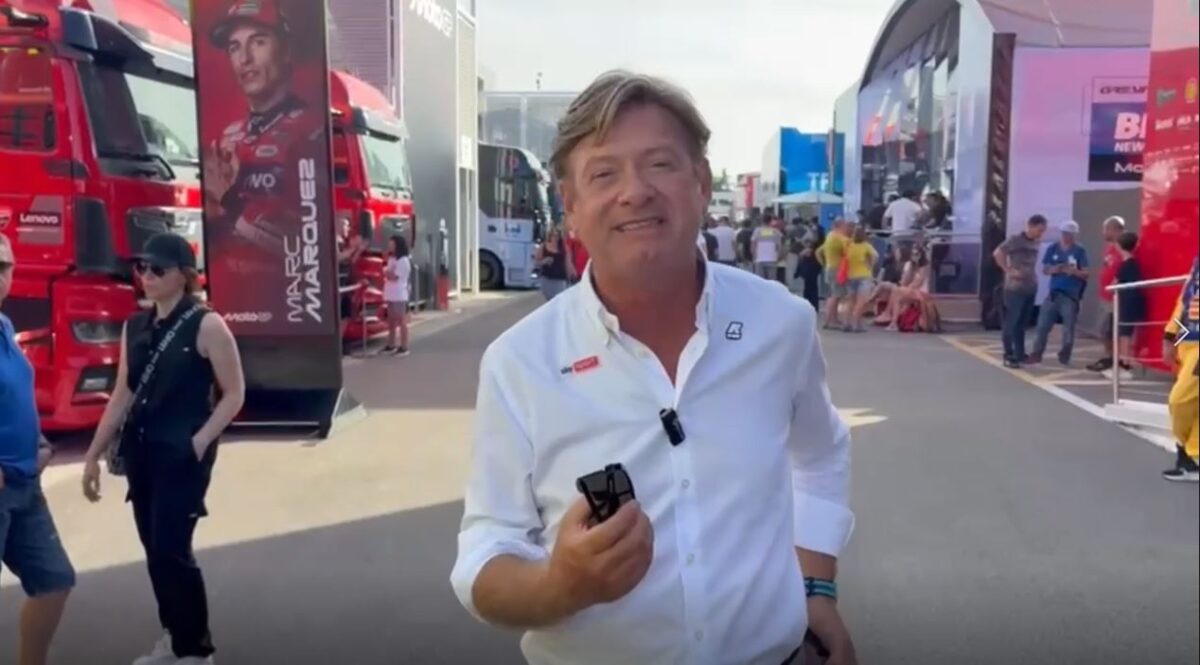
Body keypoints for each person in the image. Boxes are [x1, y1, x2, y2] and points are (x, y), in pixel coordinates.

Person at [451, 70, 857, 665]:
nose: (635, 191)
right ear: (571, 204)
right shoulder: (520, 361)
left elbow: (820, 455)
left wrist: (816, 585)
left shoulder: (781, 324)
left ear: (701, 182)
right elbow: (486, 551)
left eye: (660, 164)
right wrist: (560, 586)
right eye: (604, 173)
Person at [81, 233, 246, 665]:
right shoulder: (134, 327)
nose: (146, 276)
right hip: (143, 451)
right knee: (154, 549)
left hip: (184, 452)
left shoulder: (207, 324)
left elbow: (234, 394)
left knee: (173, 548)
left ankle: (196, 649)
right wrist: (92, 454)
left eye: (158, 269)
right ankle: (174, 636)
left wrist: (201, 440)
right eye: (142, 268)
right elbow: (122, 393)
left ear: (184, 276)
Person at [0, 233, 74, 665]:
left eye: (4, 267)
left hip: (25, 483)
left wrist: (40, 441)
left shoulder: (5, 326)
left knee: (54, 582)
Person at [203, 0, 315, 256]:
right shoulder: (227, 137)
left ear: (286, 51)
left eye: (258, 42)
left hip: (282, 280)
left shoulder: (311, 132)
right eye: (235, 47)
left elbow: (303, 243)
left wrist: (229, 200)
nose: (244, 58)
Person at [1029, 220, 1089, 365]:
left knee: (1068, 329)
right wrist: (1055, 269)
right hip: (1053, 293)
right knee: (1042, 326)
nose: (1067, 237)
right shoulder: (1053, 248)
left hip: (1070, 295)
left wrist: (1074, 272)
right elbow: (1045, 269)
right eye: (1065, 234)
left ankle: (1065, 354)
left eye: (1070, 234)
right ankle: (1036, 353)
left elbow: (1086, 273)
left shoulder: (1080, 250)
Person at [1161, 256, 1199, 483]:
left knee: (1179, 399)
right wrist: (1170, 335)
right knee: (1193, 402)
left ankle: (1185, 450)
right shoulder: (1197, 263)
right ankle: (1192, 459)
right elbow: (1185, 301)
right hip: (1188, 339)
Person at [993, 214, 1048, 368]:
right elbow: (998, 253)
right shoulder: (1015, 240)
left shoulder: (1036, 242)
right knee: (1011, 321)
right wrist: (1008, 270)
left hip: (1030, 287)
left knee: (1022, 323)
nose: (1040, 234)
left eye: (1043, 231)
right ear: (1030, 226)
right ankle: (1008, 354)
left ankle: (1019, 352)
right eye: (1039, 230)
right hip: (1014, 288)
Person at [1098, 231, 1145, 381]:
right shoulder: (1133, 264)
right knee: (1125, 334)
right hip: (1130, 302)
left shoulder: (1126, 265)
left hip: (1126, 303)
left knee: (1124, 334)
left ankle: (1124, 364)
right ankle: (1124, 362)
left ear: (1119, 246)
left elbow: (1114, 284)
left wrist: (1110, 289)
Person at [1088, 215, 1128, 373]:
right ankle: (1110, 357)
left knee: (1109, 330)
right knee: (1104, 330)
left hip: (1115, 298)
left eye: (1106, 229)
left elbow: (1124, 269)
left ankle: (1116, 359)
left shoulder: (1124, 248)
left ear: (1115, 229)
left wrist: (1114, 284)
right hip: (1105, 296)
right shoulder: (1110, 248)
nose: (1103, 232)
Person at [816, 219, 850, 330]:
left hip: (830, 267)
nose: (847, 228)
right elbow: (849, 251)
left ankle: (833, 319)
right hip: (838, 269)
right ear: (840, 226)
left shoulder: (829, 236)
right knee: (836, 295)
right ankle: (829, 321)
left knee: (834, 294)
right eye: (845, 226)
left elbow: (818, 252)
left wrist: (824, 263)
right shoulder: (840, 238)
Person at [843, 226, 878, 332]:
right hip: (864, 275)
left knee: (850, 301)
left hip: (850, 275)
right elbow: (875, 256)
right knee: (861, 302)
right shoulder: (866, 246)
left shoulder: (849, 245)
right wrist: (870, 265)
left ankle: (846, 323)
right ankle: (856, 325)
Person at [383, 235, 413, 356]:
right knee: (391, 320)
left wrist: (387, 272)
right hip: (390, 292)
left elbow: (394, 277)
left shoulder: (404, 260)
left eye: (392, 244)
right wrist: (387, 272)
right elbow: (388, 273)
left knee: (401, 320)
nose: (389, 246)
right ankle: (391, 344)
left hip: (399, 293)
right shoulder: (392, 259)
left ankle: (404, 346)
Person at [535, 226, 572, 300]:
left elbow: (568, 263)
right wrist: (544, 261)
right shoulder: (544, 246)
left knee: (559, 300)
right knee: (549, 300)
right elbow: (536, 262)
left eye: (557, 235)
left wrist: (570, 276)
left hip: (560, 278)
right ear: (549, 236)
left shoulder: (564, 247)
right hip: (547, 278)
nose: (555, 237)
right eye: (553, 235)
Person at [751, 214, 783, 281]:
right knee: (772, 280)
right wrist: (778, 256)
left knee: (760, 280)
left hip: (759, 258)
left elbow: (753, 244)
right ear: (771, 221)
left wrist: (754, 256)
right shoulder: (776, 231)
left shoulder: (757, 231)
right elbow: (779, 246)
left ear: (762, 221)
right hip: (772, 258)